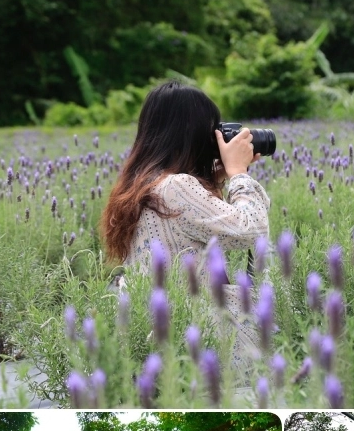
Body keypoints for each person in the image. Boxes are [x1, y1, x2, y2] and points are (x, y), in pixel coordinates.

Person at [100, 81, 269, 374]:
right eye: (211, 129)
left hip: (164, 341)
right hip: (207, 344)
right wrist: (239, 174)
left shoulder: (139, 187)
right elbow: (250, 229)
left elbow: (188, 226)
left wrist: (220, 177)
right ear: (191, 133)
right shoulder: (178, 187)